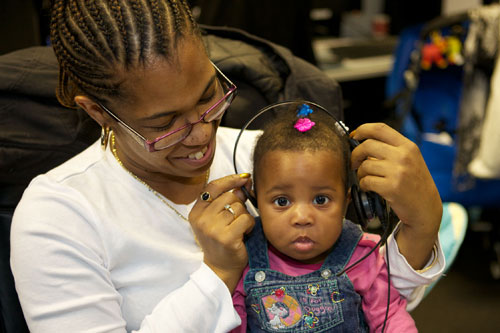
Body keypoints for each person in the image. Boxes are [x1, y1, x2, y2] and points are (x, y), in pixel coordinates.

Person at [10, 1, 443, 332]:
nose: (201, 136)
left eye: (208, 96)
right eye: (164, 125)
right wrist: (217, 274)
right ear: (99, 112)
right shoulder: (59, 214)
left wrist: (421, 223)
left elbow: (371, 296)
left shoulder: (272, 159)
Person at [231, 103, 417, 332]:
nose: (302, 217)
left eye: (320, 200)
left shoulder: (361, 254)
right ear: (255, 200)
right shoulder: (242, 259)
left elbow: (389, 317)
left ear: (348, 202)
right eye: (282, 201)